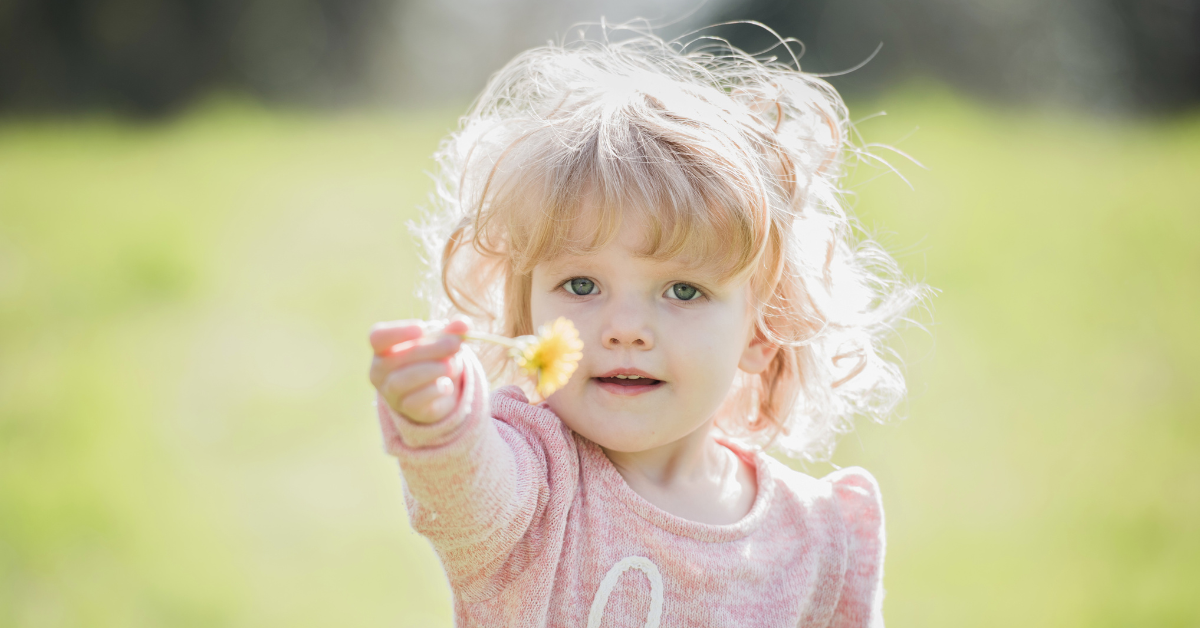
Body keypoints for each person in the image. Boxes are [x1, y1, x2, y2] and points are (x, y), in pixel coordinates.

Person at [368, 24, 927, 627]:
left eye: (683, 290)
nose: (625, 328)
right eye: (582, 285)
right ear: (528, 314)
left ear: (762, 333)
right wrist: (441, 421)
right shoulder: (533, 479)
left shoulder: (819, 538)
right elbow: (464, 492)